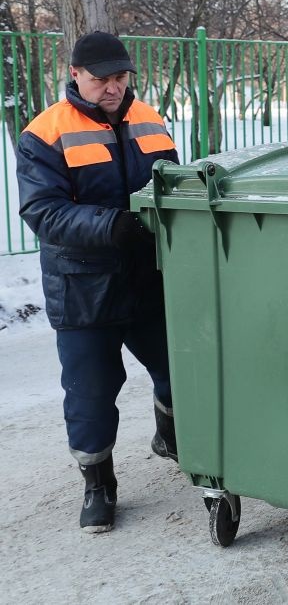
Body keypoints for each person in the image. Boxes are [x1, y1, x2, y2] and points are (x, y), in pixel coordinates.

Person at [16, 31, 180, 534]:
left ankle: (170, 434)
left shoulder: (150, 120)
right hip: (83, 287)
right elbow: (42, 212)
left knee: (182, 368)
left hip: (149, 278)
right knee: (90, 395)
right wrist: (113, 226)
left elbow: (174, 186)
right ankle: (98, 484)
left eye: (119, 77)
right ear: (75, 75)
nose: (112, 88)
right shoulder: (43, 133)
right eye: (100, 79)